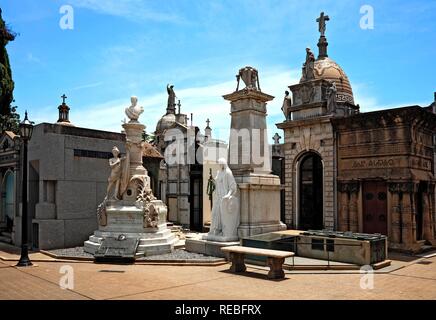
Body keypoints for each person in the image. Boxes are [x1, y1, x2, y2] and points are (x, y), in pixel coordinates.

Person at [205, 158, 240, 241]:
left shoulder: (228, 173)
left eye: (220, 164)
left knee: (223, 215)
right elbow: (216, 183)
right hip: (218, 196)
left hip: (224, 196)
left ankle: (222, 230)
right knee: (214, 213)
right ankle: (215, 230)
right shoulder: (218, 172)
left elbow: (232, 186)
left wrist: (228, 195)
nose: (219, 165)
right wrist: (212, 180)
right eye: (218, 164)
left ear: (223, 164)